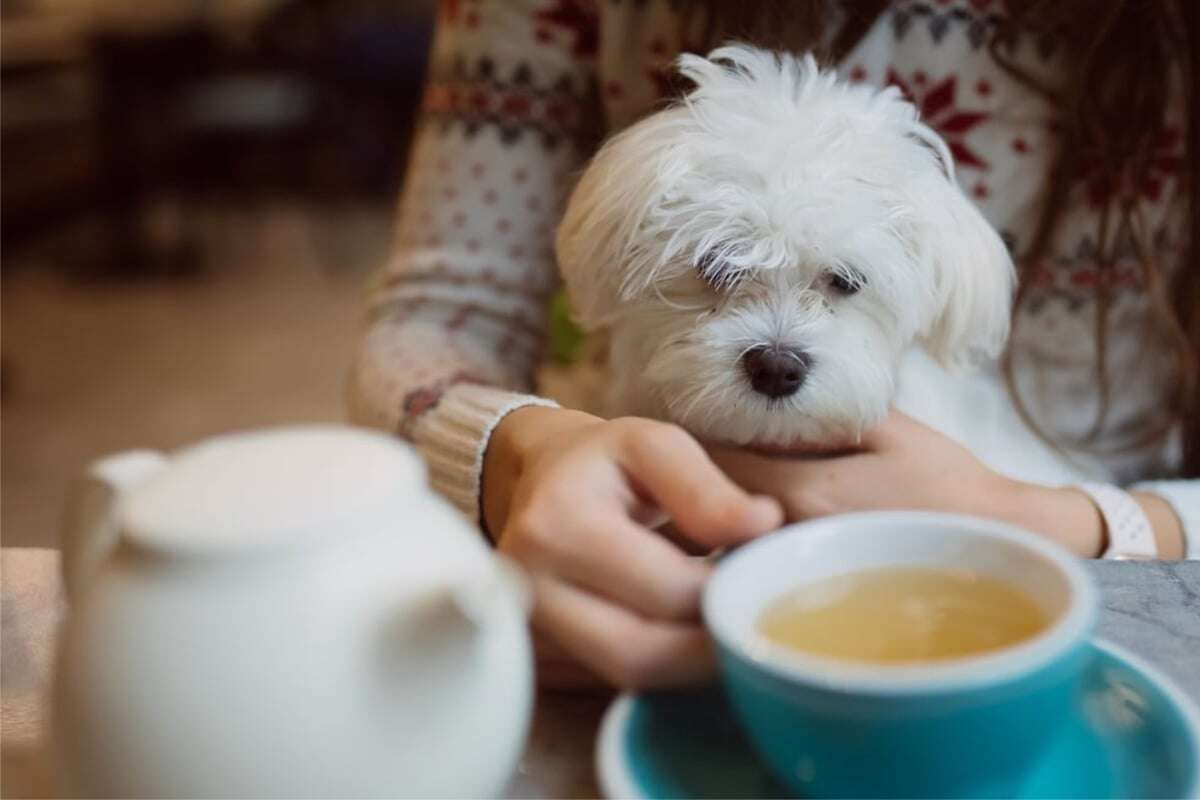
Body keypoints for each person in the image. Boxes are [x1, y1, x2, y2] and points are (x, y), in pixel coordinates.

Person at [349, 0, 1198, 688]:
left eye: (843, 286)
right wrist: (518, 457)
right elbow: (438, 315)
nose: (779, 347)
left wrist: (1070, 522)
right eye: (719, 269)